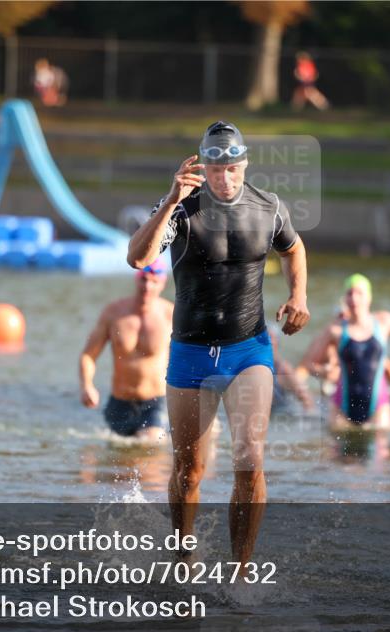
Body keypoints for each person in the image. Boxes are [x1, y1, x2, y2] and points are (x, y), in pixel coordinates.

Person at [126, 120, 310, 564]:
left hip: (248, 349)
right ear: (202, 169)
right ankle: (182, 559)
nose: (223, 179)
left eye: (231, 169)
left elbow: (293, 248)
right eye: (214, 170)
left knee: (249, 462)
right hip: (190, 352)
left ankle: (242, 569)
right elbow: (138, 257)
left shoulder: (269, 208)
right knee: (190, 472)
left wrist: (298, 295)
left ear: (244, 165)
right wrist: (171, 201)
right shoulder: (181, 209)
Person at [300, 274, 390, 430]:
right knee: (337, 452)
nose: (354, 298)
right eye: (349, 293)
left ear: (369, 297)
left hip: (378, 406)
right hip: (342, 407)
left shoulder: (384, 321)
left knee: (380, 451)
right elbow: (309, 363)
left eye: (359, 293)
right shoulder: (335, 330)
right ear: (345, 299)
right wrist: (324, 372)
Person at [79, 260, 174, 441]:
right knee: (118, 460)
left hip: (155, 403)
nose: (148, 286)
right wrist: (87, 386)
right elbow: (88, 356)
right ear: (136, 279)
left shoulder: (170, 315)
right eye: (144, 279)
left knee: (150, 448)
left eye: (154, 281)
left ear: (162, 283)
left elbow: (190, 359)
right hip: (119, 402)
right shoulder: (114, 313)